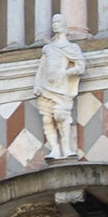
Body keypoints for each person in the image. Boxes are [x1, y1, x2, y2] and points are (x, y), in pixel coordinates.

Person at [35, 15, 86, 161]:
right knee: (47, 119)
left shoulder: (71, 48)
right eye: (53, 22)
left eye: (58, 22)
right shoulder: (48, 48)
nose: (55, 25)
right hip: (45, 86)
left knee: (61, 116)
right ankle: (55, 150)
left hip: (61, 87)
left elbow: (81, 66)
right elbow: (41, 67)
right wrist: (37, 84)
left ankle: (67, 148)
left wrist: (67, 72)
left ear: (64, 25)